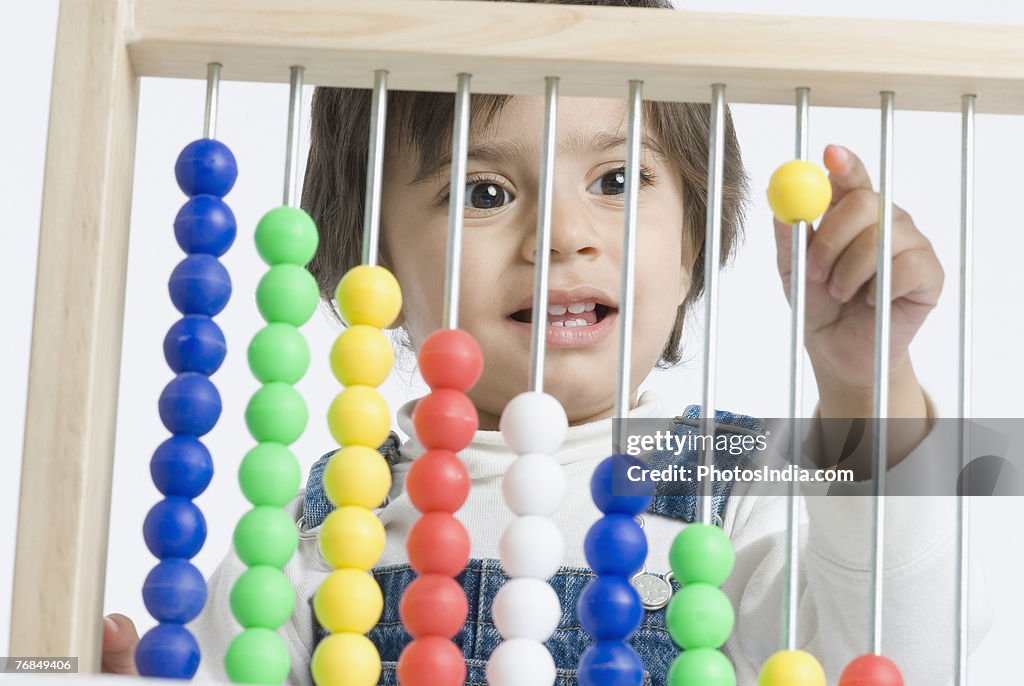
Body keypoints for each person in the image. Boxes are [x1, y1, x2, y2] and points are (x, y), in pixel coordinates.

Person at [101, 0, 989, 683]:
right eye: (483, 193)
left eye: (616, 179)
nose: (563, 235)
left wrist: (864, 384)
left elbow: (910, 649)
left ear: (691, 243)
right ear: (376, 260)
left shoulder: (746, 499)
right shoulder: (326, 530)